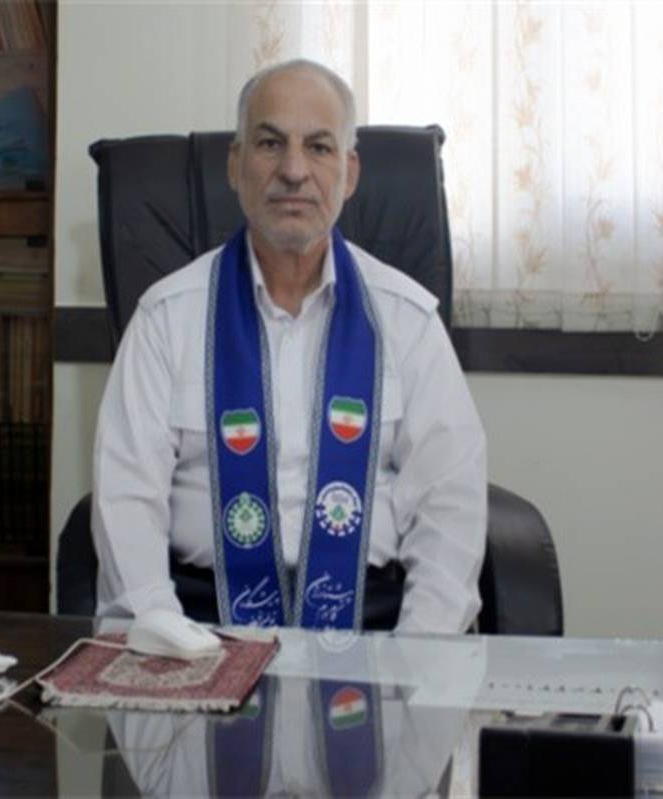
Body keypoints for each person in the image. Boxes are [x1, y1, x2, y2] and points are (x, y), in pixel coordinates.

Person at [92, 58, 486, 633]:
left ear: (349, 173)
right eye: (270, 143)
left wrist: (417, 655)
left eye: (319, 147)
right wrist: (167, 639)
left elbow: (450, 503)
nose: (294, 170)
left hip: (377, 625)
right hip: (200, 624)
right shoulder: (165, 318)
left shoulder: (407, 320)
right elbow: (126, 497)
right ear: (235, 165)